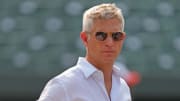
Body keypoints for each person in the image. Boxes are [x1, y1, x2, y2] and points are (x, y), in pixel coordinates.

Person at [38, 3, 131, 101]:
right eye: (101, 35)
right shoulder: (64, 84)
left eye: (116, 36)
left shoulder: (123, 87)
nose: (109, 42)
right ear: (85, 38)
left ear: (123, 38)